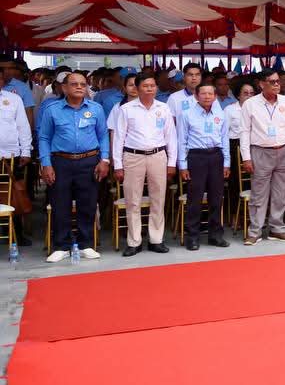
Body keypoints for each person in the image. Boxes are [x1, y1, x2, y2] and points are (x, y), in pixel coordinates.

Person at [39, 71, 109, 263]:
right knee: (60, 204)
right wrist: (46, 163)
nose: (79, 87)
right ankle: (61, 246)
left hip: (89, 161)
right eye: (74, 84)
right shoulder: (52, 109)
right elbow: (44, 138)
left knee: (87, 204)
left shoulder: (96, 109)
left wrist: (105, 160)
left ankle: (86, 244)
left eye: (83, 84)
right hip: (61, 162)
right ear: (64, 88)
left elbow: (103, 135)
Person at [111, 72, 177, 256]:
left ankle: (156, 239)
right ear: (137, 88)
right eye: (145, 86)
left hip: (158, 155)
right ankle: (134, 241)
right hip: (133, 156)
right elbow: (119, 138)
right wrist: (118, 164)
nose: (149, 89)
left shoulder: (163, 108)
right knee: (133, 200)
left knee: (158, 198)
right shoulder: (126, 109)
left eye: (152, 86)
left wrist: (172, 162)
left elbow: (171, 137)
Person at [240, 70, 285, 246]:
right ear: (261, 84)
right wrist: (246, 157)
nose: (276, 85)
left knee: (281, 193)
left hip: (284, 150)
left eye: (278, 81)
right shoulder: (250, 104)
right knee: (259, 194)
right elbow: (244, 132)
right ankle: (255, 231)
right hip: (260, 151)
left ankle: (277, 228)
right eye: (272, 82)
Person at [176, 80, 231, 250]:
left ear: (215, 96)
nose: (207, 96)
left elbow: (225, 139)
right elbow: (181, 141)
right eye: (203, 93)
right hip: (196, 157)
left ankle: (215, 235)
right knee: (195, 199)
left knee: (216, 198)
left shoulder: (221, 114)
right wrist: (183, 165)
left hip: (216, 156)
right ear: (196, 95)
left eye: (210, 93)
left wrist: (226, 163)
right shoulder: (187, 114)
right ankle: (192, 236)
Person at [0, 81, 32, 247]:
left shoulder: (14, 99)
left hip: (10, 155)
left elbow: (23, 126)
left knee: (13, 196)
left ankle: (16, 235)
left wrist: (26, 151)